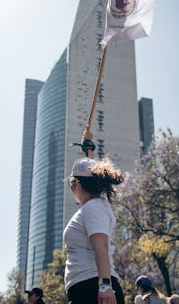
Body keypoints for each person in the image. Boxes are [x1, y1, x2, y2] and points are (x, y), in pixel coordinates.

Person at [63, 129, 125, 304]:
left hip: (93, 288)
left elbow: (101, 245)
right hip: (88, 288)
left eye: (71, 182)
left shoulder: (94, 207)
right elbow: (93, 171)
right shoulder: (97, 203)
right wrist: (88, 148)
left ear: (79, 184)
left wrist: (105, 286)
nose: (71, 187)